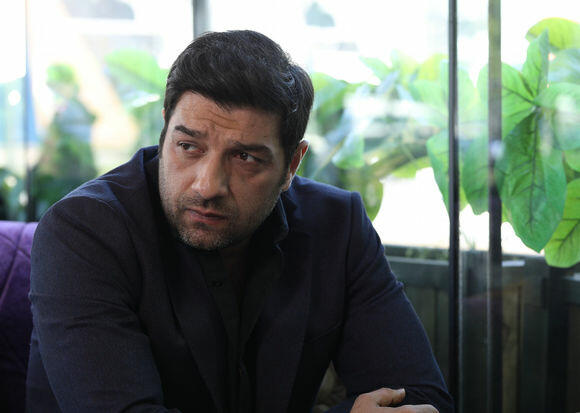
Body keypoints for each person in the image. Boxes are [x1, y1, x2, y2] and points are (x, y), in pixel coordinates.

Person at [25, 30, 453, 413]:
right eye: (188, 146)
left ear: (292, 164)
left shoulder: (337, 226)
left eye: (245, 157)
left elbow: (420, 399)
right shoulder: (83, 231)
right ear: (165, 129)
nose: (207, 185)